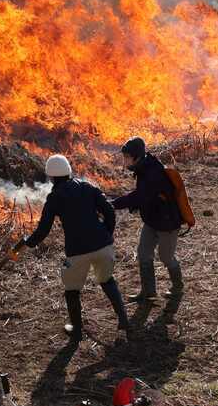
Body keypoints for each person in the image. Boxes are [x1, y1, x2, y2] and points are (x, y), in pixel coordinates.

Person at [23, 154, 130, 342]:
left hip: (77, 252)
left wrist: (29, 242)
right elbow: (109, 210)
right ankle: (123, 320)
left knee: (72, 290)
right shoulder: (87, 187)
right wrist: (106, 234)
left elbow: (43, 229)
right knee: (107, 281)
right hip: (103, 246)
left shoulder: (54, 198)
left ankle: (77, 330)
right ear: (68, 171)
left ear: (52, 177)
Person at [111, 137, 184, 302]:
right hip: (152, 220)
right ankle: (148, 291)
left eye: (127, 157)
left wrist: (112, 204)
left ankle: (178, 288)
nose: (124, 161)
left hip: (167, 222)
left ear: (136, 156)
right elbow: (143, 198)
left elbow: (139, 197)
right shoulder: (143, 168)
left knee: (166, 257)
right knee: (144, 253)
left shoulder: (153, 172)